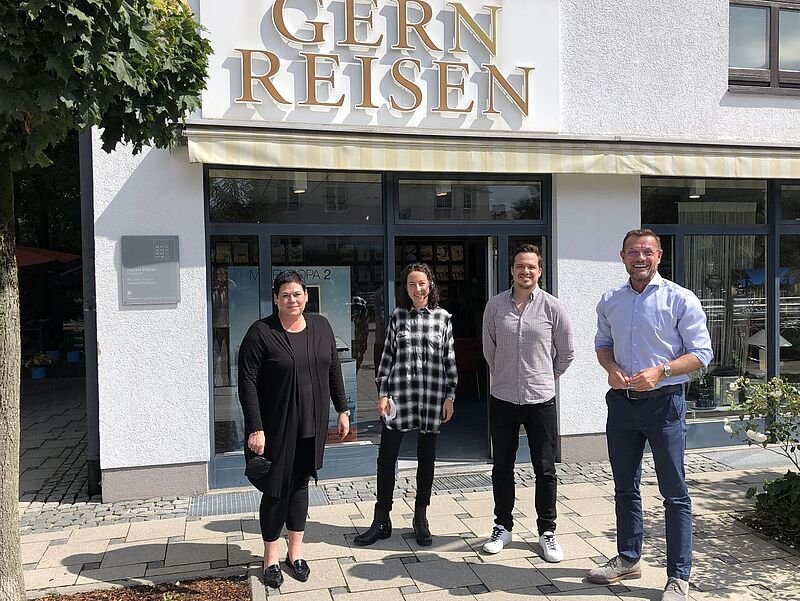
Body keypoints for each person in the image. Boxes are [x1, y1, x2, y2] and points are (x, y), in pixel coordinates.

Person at [588, 229, 712, 601]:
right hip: (622, 405)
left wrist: (662, 371)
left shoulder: (680, 298)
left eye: (646, 251)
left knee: (674, 494)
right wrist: (609, 368)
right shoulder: (610, 299)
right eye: (632, 252)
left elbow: (702, 354)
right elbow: (603, 344)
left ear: (658, 255)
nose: (639, 258)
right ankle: (628, 558)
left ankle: (678, 577)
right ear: (621, 256)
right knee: (625, 487)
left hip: (665, 405)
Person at [238, 270, 350, 589]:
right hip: (275, 428)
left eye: (297, 294)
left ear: (306, 296)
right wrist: (255, 428)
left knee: (300, 486)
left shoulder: (321, 327)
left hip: (311, 426)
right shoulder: (261, 332)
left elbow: (333, 370)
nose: (292, 300)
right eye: (285, 295)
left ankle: (295, 553)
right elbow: (246, 383)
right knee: (276, 490)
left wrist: (342, 409)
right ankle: (270, 557)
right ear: (275, 298)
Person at [481, 243, 574, 562]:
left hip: (541, 401)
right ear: (512, 270)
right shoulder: (494, 307)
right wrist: (508, 375)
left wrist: (545, 378)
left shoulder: (553, 307)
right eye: (520, 266)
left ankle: (547, 531)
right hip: (503, 398)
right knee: (502, 466)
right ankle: (502, 527)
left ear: (540, 270)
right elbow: (488, 351)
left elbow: (566, 354)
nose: (525, 271)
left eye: (531, 266)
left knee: (545, 469)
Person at [354, 263, 457, 547]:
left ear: (430, 285)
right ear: (406, 289)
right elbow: (386, 356)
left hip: (433, 396)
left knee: (427, 458)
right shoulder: (397, 317)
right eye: (412, 284)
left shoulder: (443, 318)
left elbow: (450, 360)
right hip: (400, 396)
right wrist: (383, 392)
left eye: (422, 283)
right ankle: (381, 518)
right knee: (387, 457)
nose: (417, 289)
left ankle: (420, 516)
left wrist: (450, 395)